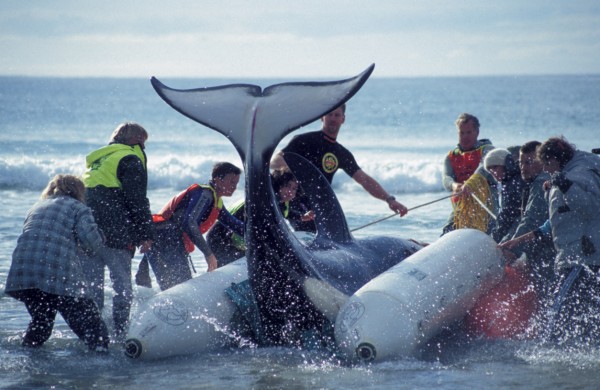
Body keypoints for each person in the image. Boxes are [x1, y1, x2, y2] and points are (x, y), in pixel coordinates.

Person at [500, 136, 600, 343]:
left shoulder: (576, 176)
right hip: (577, 257)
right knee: (584, 310)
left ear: (556, 158)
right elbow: (554, 222)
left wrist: (564, 186)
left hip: (582, 259)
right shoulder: (565, 174)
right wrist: (518, 241)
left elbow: (590, 208)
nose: (545, 169)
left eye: (546, 164)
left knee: (558, 311)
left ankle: (549, 350)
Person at [5, 175, 109, 351]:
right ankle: (100, 365)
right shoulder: (78, 207)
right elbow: (93, 244)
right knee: (95, 330)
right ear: (79, 191)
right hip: (55, 272)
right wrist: (102, 237)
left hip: (23, 271)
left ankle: (29, 362)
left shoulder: (37, 206)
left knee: (41, 323)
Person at [270, 104, 407, 231]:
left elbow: (364, 180)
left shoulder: (341, 153)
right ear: (322, 117)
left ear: (343, 119)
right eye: (329, 115)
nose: (333, 118)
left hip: (320, 207)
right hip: (296, 203)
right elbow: (275, 161)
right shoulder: (304, 140)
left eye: (337, 115)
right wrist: (303, 170)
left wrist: (389, 200)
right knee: (308, 232)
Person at [82, 122, 154, 337]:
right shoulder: (129, 158)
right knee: (122, 288)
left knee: (92, 290)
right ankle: (120, 334)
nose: (144, 147)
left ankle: (92, 335)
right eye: (144, 142)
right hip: (116, 235)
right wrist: (145, 234)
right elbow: (137, 200)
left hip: (87, 235)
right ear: (136, 140)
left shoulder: (97, 161)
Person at [138, 162, 245, 291]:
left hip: (170, 240)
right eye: (231, 182)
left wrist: (261, 237)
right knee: (177, 286)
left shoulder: (216, 201)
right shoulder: (204, 194)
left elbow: (235, 225)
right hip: (165, 239)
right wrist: (208, 254)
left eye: (237, 183)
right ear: (217, 180)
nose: (234, 187)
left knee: (177, 285)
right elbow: (189, 223)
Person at [207, 169, 314, 267]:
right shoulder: (269, 201)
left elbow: (285, 212)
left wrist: (301, 217)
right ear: (278, 186)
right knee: (227, 269)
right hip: (220, 239)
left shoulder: (280, 203)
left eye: (294, 188)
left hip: (236, 240)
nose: (290, 191)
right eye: (286, 186)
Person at [499, 141, 555, 297]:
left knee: (548, 296)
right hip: (542, 254)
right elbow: (521, 220)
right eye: (520, 162)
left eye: (529, 162)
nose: (523, 167)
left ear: (542, 163)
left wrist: (511, 250)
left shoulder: (540, 184)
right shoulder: (535, 183)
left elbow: (531, 221)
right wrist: (503, 242)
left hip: (548, 256)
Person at [441, 113, 495, 234]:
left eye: (469, 132)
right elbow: (446, 178)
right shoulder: (451, 157)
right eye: (461, 133)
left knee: (494, 232)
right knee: (447, 232)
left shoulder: (488, 150)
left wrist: (471, 183)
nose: (465, 137)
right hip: (461, 208)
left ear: (477, 132)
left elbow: (483, 167)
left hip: (486, 208)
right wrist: (454, 186)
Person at [483, 148, 525, 243]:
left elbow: (508, 216)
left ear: (507, 164)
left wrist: (494, 240)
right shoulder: (510, 181)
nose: (493, 172)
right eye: (490, 170)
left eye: (495, 167)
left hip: (521, 233)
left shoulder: (515, 183)